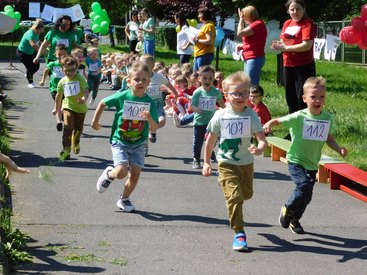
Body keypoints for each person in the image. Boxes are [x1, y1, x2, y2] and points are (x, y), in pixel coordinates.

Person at [263, 76, 347, 234]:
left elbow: (329, 139)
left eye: (321, 97)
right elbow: (279, 121)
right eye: (313, 97)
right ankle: (287, 209)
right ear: (304, 98)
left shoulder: (327, 118)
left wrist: (339, 149)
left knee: (307, 196)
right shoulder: (299, 116)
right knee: (303, 186)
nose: (317, 100)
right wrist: (269, 124)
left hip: (312, 163)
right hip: (296, 160)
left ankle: (295, 219)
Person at [202, 71, 267, 252]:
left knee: (246, 194)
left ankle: (234, 195)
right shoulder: (220, 115)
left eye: (245, 93)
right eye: (236, 93)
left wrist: (260, 147)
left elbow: (261, 138)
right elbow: (210, 141)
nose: (241, 97)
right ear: (226, 94)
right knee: (235, 197)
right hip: (226, 162)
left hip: (246, 163)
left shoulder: (252, 115)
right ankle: (239, 232)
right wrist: (207, 162)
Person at [90, 62, 158, 212]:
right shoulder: (122, 96)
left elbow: (154, 128)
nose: (140, 82)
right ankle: (109, 174)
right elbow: (102, 103)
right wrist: (95, 122)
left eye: (144, 80)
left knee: (135, 175)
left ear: (149, 82)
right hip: (120, 140)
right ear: (129, 81)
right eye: (137, 79)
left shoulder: (150, 103)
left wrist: (149, 119)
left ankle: (124, 199)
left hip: (139, 143)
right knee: (121, 172)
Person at [270, 0, 316, 114]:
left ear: (304, 9)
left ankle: (305, 127)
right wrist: (279, 45)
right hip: (288, 65)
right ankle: (293, 129)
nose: (295, 12)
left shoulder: (308, 24)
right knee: (290, 98)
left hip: (304, 66)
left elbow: (306, 45)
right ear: (288, 11)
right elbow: (283, 40)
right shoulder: (287, 23)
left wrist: (286, 48)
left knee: (303, 99)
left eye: (298, 9)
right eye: (292, 9)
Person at [53, 56, 89, 159]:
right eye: (68, 70)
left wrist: (84, 99)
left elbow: (86, 90)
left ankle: (76, 142)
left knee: (78, 129)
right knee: (68, 128)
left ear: (77, 68)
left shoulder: (80, 78)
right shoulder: (62, 81)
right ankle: (66, 150)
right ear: (62, 69)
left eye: (73, 70)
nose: (71, 73)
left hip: (81, 109)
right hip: (68, 107)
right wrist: (56, 108)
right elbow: (58, 96)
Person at [190, 65, 225, 169]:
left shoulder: (216, 92)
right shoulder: (198, 92)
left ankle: (211, 153)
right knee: (198, 141)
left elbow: (222, 103)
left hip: (212, 121)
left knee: (212, 140)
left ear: (213, 78)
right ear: (199, 79)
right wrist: (197, 109)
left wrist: (225, 112)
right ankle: (196, 159)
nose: (207, 80)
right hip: (200, 121)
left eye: (210, 78)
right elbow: (192, 106)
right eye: (204, 78)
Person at [139, 54, 178, 147]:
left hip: (157, 104)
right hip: (144, 105)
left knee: (162, 121)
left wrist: (175, 93)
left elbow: (168, 84)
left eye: (145, 65)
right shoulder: (139, 77)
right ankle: (145, 146)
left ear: (152, 66)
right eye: (141, 65)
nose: (143, 67)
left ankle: (152, 130)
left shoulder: (158, 77)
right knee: (144, 125)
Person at [39, 44, 68, 131]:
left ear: (67, 55)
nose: (61, 56)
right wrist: (43, 81)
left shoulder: (67, 64)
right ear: (55, 54)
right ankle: (59, 122)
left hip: (66, 88)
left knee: (64, 105)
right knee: (58, 104)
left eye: (63, 55)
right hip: (55, 88)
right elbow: (46, 71)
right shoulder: (52, 64)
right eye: (59, 54)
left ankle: (63, 116)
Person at [236, 6, 267, 85]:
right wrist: (243, 46)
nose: (243, 17)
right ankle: (249, 97)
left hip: (255, 57)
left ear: (249, 15)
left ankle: (255, 97)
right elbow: (255, 41)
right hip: (250, 57)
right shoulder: (255, 24)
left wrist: (241, 20)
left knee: (252, 82)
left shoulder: (257, 24)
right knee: (247, 81)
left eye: (244, 15)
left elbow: (240, 33)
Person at [16, 19, 44, 88]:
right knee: (30, 68)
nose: (40, 32)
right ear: (36, 28)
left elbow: (38, 41)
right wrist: (42, 51)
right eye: (40, 30)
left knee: (36, 66)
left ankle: (28, 74)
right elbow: (33, 45)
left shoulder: (36, 33)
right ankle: (30, 83)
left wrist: (45, 45)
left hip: (31, 52)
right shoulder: (30, 33)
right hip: (22, 53)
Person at [192, 5, 216, 73]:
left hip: (204, 54)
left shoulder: (209, 26)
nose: (198, 16)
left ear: (205, 15)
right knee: (196, 76)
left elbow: (209, 41)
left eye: (200, 14)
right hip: (199, 54)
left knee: (202, 75)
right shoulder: (204, 26)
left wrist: (197, 40)